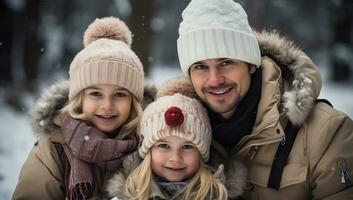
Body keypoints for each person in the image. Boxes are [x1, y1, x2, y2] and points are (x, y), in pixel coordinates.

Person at [174, 0, 353, 199]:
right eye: (200, 66)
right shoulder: (175, 136)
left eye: (226, 62)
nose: (215, 80)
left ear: (251, 64)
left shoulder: (326, 133)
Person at [12, 17, 155, 200]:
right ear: (80, 99)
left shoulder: (152, 145)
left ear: (134, 101)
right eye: (96, 93)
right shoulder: (54, 148)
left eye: (120, 94)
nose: (107, 106)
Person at [105, 77, 247, 200]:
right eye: (164, 146)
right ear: (147, 150)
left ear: (202, 153)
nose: (175, 158)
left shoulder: (219, 195)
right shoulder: (127, 195)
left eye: (187, 146)